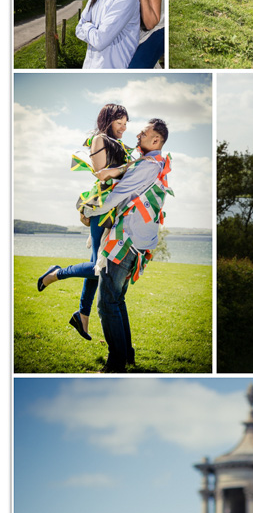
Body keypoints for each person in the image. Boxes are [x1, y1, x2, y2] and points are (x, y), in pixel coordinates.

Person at [80, 119, 172, 373]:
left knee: (107, 302)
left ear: (156, 141)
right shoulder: (156, 164)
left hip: (125, 241)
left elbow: (118, 195)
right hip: (136, 241)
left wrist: (87, 209)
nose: (138, 134)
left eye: (144, 133)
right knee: (117, 300)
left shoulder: (147, 166)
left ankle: (116, 363)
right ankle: (126, 354)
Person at [36, 104, 134, 342]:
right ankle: (56, 274)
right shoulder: (99, 139)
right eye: (119, 123)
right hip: (102, 206)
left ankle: (82, 316)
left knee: (96, 266)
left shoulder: (118, 143)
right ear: (108, 120)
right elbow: (101, 172)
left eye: (125, 124)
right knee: (100, 267)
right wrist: (130, 167)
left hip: (115, 207)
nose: (123, 128)